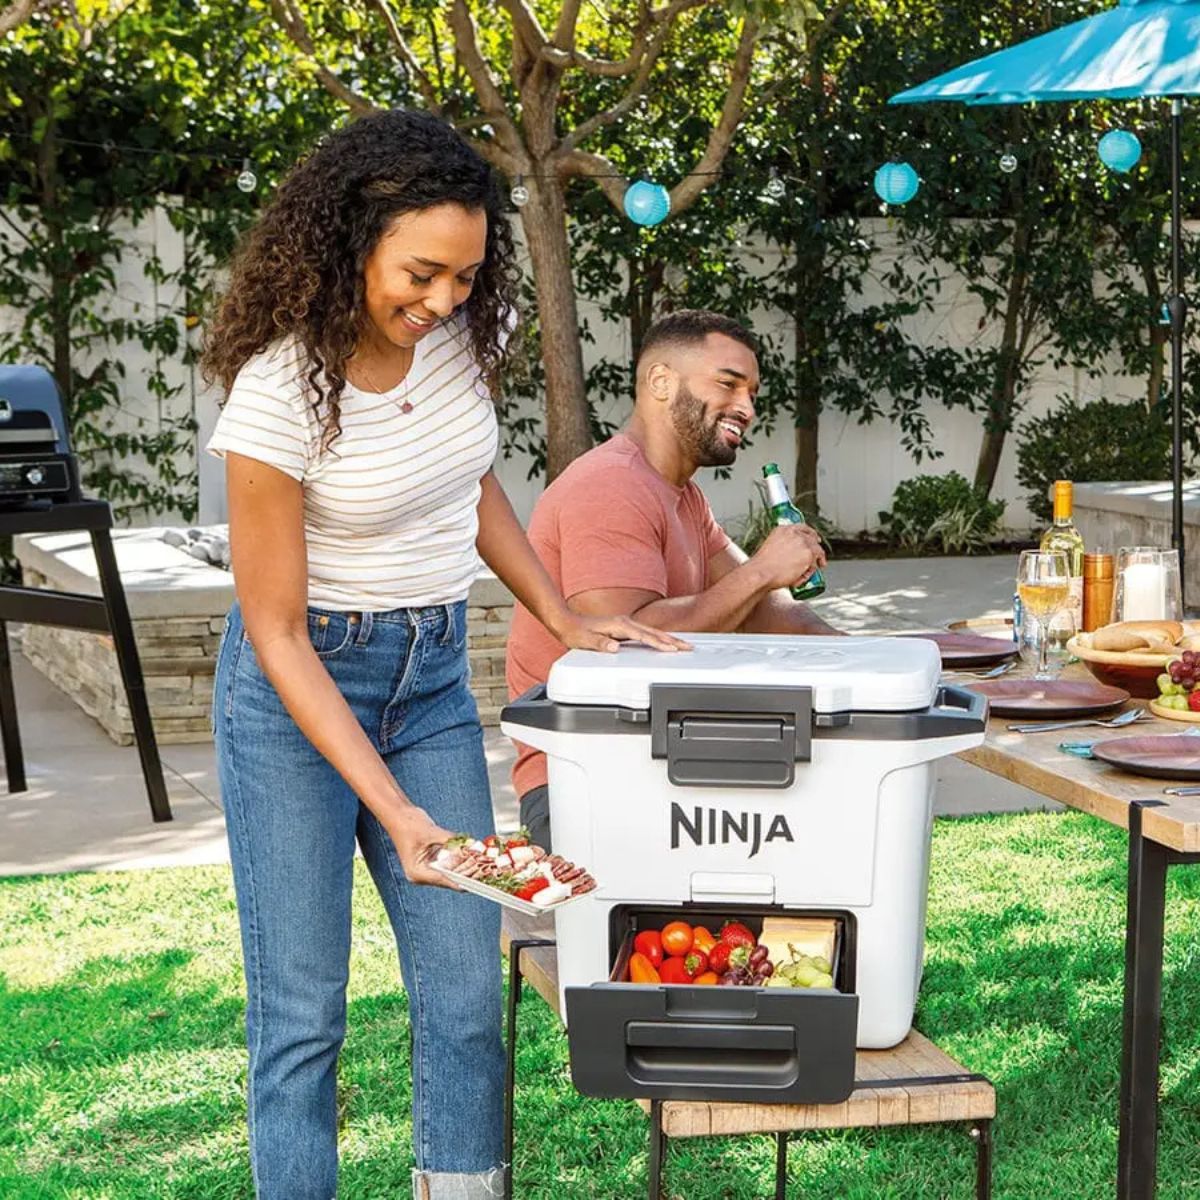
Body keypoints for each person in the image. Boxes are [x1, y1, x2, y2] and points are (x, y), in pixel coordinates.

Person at [201, 109, 685, 1200]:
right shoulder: (278, 392)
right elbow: (276, 631)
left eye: (464, 277)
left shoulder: (461, 335)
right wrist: (400, 815)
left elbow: (468, 482)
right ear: (350, 243)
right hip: (296, 699)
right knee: (303, 1014)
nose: (443, 300)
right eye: (420, 274)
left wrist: (561, 614)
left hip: (427, 684)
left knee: (466, 995)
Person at [506, 309, 839, 849]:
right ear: (661, 381)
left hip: (658, 767)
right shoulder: (610, 484)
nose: (747, 407)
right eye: (728, 384)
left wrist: (870, 656)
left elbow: (762, 605)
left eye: (752, 393)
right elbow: (629, 640)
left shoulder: (683, 496)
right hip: (587, 780)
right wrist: (762, 569)